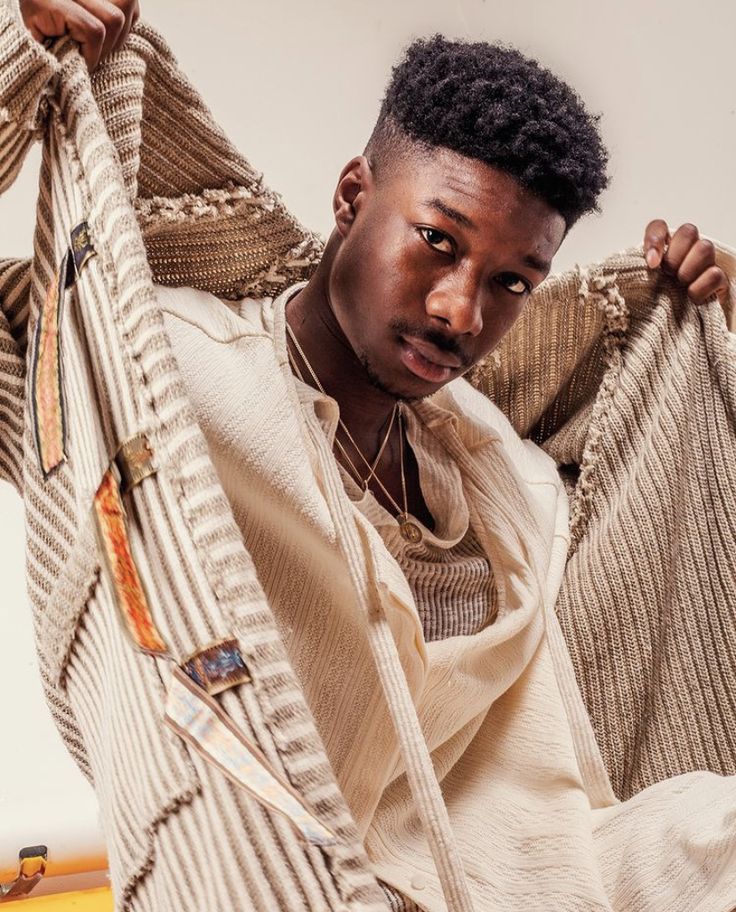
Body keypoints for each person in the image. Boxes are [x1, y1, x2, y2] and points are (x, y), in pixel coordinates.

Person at [4, 0, 735, 910]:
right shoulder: (166, 371)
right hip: (276, 871)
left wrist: (686, 322)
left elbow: (632, 437)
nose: (460, 313)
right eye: (438, 241)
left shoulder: (490, 455)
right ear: (353, 195)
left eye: (512, 281)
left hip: (539, 873)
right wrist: (16, 60)